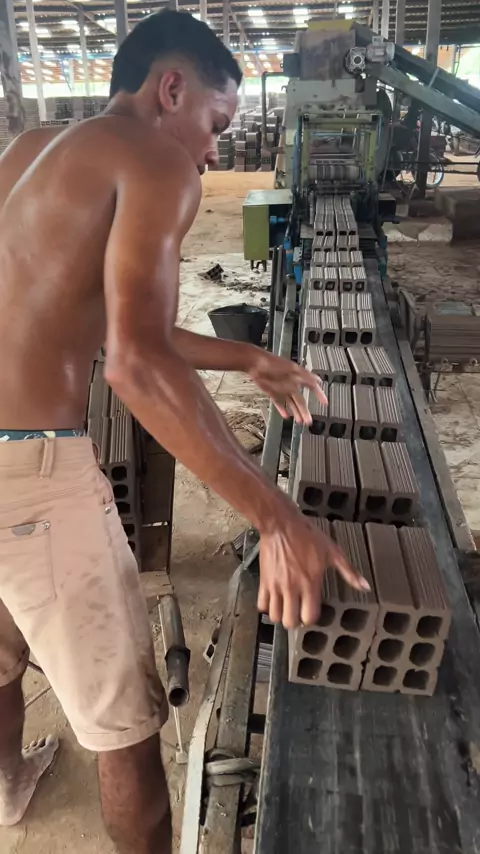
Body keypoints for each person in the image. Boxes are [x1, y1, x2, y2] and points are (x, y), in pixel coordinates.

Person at [0, 10, 368, 853]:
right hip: (31, 478)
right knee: (127, 726)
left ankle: (9, 783)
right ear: (172, 89)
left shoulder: (29, 152)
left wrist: (245, 357)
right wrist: (276, 516)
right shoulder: (155, 159)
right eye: (217, 124)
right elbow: (134, 368)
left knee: (1, 647)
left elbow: (93, 322)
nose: (211, 153)